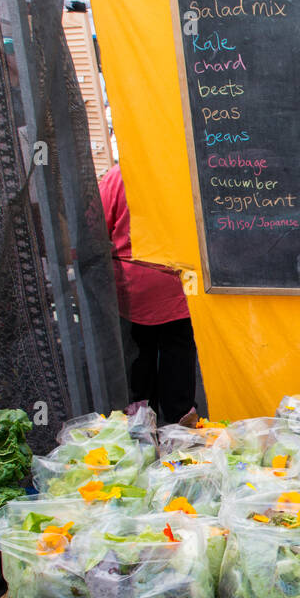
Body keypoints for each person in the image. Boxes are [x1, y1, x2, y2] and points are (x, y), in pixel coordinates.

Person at [99, 164, 198, 425]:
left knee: (137, 373)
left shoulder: (117, 177)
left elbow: (94, 232)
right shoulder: (178, 169)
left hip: (132, 295)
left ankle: (142, 433)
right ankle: (182, 432)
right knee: (179, 369)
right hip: (180, 289)